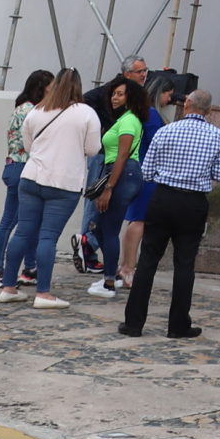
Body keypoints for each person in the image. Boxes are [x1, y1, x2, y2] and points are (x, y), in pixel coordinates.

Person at [119, 88, 220, 340]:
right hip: (193, 203)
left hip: (163, 197)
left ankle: (134, 323)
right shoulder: (218, 136)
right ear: (209, 110)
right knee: (185, 264)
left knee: (148, 260)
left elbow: (147, 171)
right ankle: (178, 325)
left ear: (187, 104)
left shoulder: (166, 131)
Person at [0, 69, 100, 307]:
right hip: (64, 182)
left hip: (32, 176)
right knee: (48, 237)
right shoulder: (86, 113)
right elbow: (93, 148)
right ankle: (43, 293)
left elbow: (28, 144)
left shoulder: (37, 110)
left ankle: (8, 287)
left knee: (22, 232)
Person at [0, 70, 52, 287]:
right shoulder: (33, 111)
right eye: (51, 87)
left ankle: (29, 267)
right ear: (42, 88)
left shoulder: (22, 108)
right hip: (23, 167)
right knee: (11, 222)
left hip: (14, 166)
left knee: (28, 222)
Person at [85, 77, 146, 298]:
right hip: (119, 173)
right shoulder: (124, 120)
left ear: (131, 98)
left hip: (122, 174)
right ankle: (112, 275)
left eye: (120, 94)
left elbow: (122, 154)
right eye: (113, 94)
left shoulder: (130, 121)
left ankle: (109, 281)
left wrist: (109, 187)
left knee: (109, 227)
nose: (114, 98)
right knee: (99, 226)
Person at [116, 82, 174, 291]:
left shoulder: (135, 114)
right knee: (139, 220)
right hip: (147, 172)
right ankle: (128, 267)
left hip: (135, 169)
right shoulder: (151, 114)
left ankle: (125, 264)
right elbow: (157, 142)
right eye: (169, 94)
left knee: (135, 219)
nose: (170, 100)